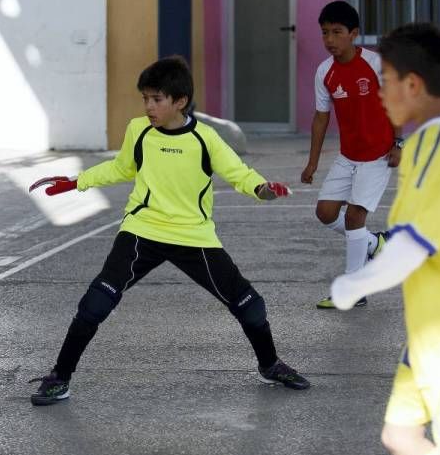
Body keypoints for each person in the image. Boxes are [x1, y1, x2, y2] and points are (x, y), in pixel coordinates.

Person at [28, 56, 310, 406]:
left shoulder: (206, 139)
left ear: (179, 101)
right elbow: (121, 167)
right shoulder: (139, 131)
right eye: (145, 98)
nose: (148, 106)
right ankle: (60, 378)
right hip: (142, 230)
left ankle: (270, 365)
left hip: (194, 236)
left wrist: (262, 189)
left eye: (156, 99)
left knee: (251, 307)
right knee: (95, 303)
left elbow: (240, 174)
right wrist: (76, 182)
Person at [331, 23, 440, 455]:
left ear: (412, 84)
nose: (380, 90)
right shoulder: (437, 142)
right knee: (401, 435)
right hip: (428, 338)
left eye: (386, 79)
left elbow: (412, 242)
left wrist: (354, 285)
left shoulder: (439, 141)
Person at [301, 0, 402, 309]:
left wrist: (399, 142)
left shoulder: (375, 64)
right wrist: (312, 162)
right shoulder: (325, 72)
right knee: (326, 213)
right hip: (348, 156)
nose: (329, 39)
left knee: (356, 216)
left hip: (377, 155)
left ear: (354, 34)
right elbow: (321, 117)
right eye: (324, 33)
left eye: (337, 32)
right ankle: (375, 243)